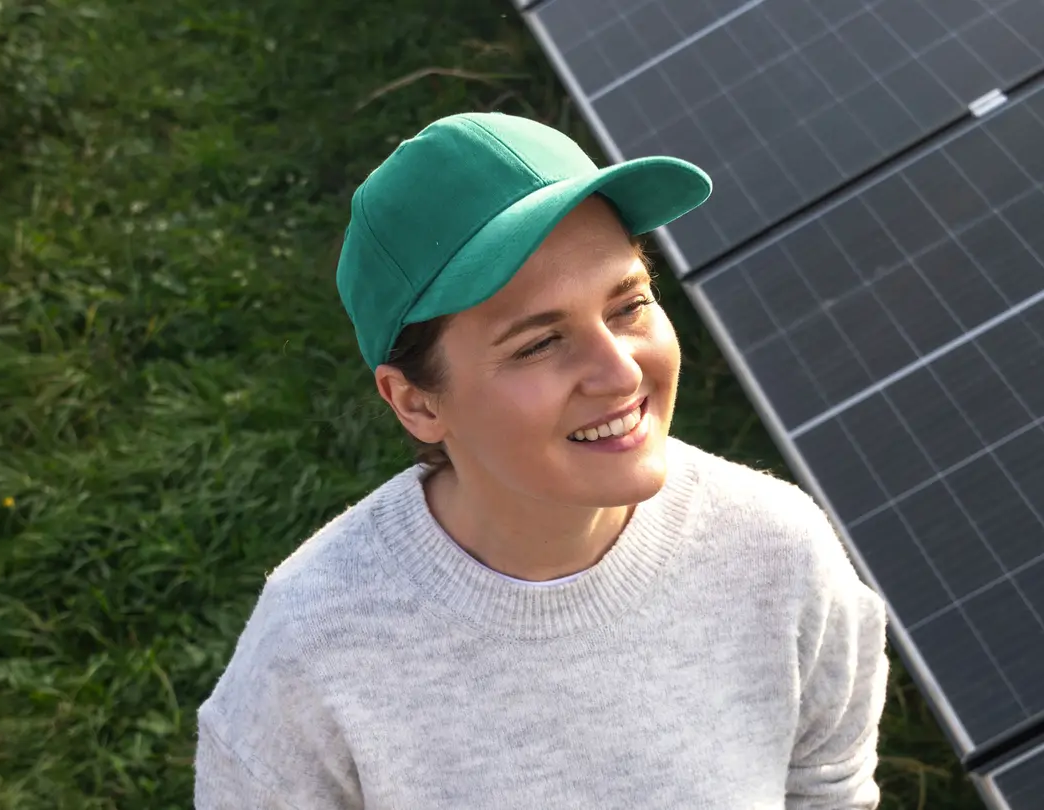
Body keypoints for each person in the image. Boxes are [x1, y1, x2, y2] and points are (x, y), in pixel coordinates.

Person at [193, 111, 890, 809]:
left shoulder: (780, 553)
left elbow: (827, 791)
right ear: (415, 402)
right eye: (537, 344)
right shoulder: (312, 653)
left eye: (629, 305)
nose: (618, 374)